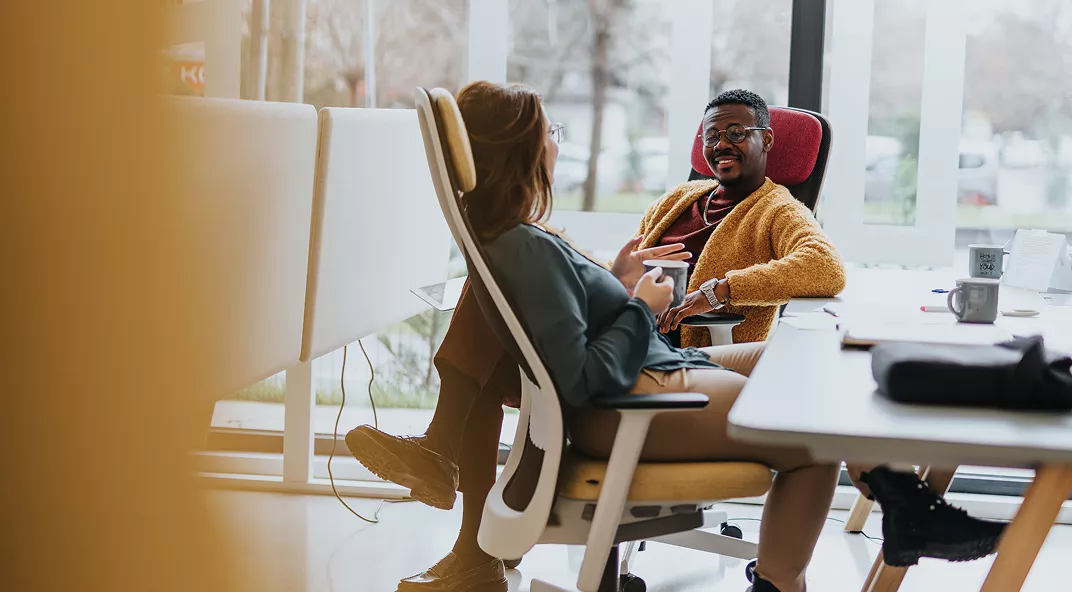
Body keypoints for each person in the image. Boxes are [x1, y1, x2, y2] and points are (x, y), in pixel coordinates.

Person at [346, 86, 1005, 592]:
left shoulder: (774, 206)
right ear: (524, 152)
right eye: (554, 132)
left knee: (817, 358)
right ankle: (853, 535)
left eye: (739, 134)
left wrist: (642, 286)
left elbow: (823, 267)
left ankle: (899, 497)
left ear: (767, 143)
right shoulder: (561, 234)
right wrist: (640, 301)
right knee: (814, 432)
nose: (722, 145)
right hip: (641, 377)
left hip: (669, 350)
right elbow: (584, 369)